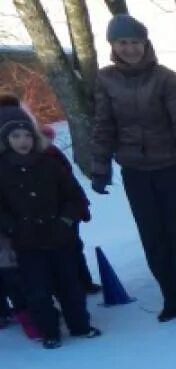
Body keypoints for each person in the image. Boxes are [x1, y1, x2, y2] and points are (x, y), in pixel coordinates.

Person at [91, 14, 176, 325]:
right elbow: (104, 124)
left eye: (135, 42)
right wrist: (100, 164)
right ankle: (172, 297)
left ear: (145, 44)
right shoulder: (106, 80)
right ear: (113, 46)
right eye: (123, 42)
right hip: (135, 170)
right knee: (153, 238)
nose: (130, 48)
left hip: (170, 166)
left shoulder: (165, 78)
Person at [0, 106, 99, 349]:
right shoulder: (2, 170)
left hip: (59, 237)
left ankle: (80, 326)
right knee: (37, 290)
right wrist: (13, 228)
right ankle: (49, 332)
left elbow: (73, 196)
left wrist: (66, 221)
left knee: (69, 285)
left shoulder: (49, 163)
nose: (22, 141)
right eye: (15, 137)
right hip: (27, 243)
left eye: (26, 136)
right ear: (5, 140)